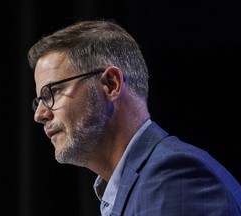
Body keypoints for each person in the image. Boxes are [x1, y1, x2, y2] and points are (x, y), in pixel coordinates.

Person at [27, 19, 241, 215]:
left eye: (54, 92)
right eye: (39, 101)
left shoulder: (173, 176)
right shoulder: (128, 187)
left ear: (111, 84)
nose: (40, 114)